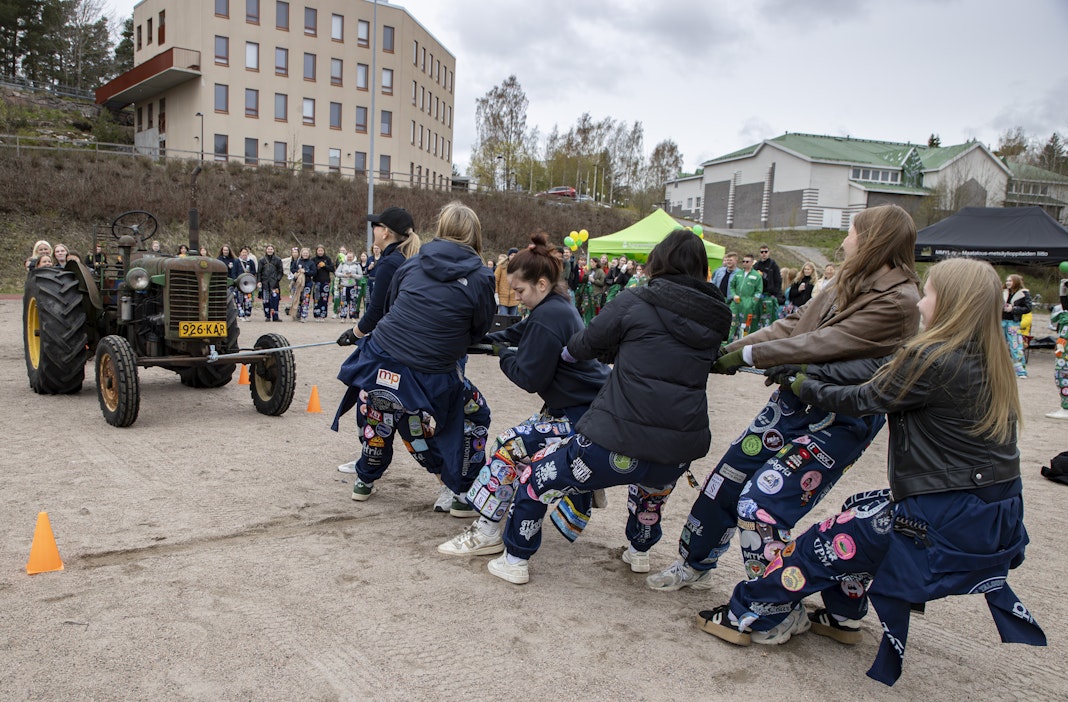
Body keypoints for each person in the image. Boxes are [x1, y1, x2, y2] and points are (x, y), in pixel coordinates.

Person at [696, 258, 1046, 686]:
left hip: (943, 517)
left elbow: (864, 398)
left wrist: (801, 384)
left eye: (928, 293)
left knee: (820, 545)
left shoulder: (932, 358)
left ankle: (748, 614)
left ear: (950, 303)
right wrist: (811, 373)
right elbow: (875, 375)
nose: (918, 303)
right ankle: (844, 615)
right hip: (988, 515)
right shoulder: (986, 356)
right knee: (858, 512)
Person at [647, 204, 921, 594]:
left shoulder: (898, 299)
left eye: (852, 231)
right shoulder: (845, 280)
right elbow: (793, 325)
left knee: (763, 504)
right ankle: (695, 564)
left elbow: (822, 343)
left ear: (873, 239)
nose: (845, 239)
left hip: (839, 417)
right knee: (726, 479)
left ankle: (773, 599)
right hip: (792, 401)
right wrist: (731, 350)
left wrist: (750, 356)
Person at [485, 229, 732, 585]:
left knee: (536, 477)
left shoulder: (636, 300)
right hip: (678, 448)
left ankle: (515, 559)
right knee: (650, 497)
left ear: (658, 263)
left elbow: (584, 344)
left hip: (618, 438)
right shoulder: (716, 316)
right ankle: (640, 552)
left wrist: (569, 354)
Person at [437, 231, 611, 557]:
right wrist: (479, 341)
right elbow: (518, 331)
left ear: (541, 284)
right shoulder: (557, 305)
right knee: (520, 443)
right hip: (581, 408)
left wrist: (503, 355)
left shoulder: (548, 317)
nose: (516, 297)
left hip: (581, 417)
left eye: (520, 291)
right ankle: (579, 488)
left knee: (509, 448)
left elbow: (529, 377)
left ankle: (486, 532)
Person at [334, 202, 496, 509]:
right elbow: (479, 328)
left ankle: (365, 479)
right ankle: (463, 492)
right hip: (430, 370)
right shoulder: (481, 276)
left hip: (380, 357)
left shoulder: (412, 263)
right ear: (475, 234)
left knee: (384, 406)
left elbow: (392, 308)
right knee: (475, 414)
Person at [333, 207, 422, 474]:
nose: (373, 229)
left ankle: (370, 464)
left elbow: (376, 312)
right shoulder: (407, 259)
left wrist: (353, 334)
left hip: (388, 347)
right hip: (405, 345)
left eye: (376, 226)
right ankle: (369, 461)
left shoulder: (388, 263)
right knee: (387, 408)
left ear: (386, 232)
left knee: (370, 403)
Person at [727, 253, 763, 341]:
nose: (744, 263)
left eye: (747, 262)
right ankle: (728, 342)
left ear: (752, 263)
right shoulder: (738, 274)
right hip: (736, 302)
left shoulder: (756, 276)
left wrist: (752, 302)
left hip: (747, 303)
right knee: (732, 322)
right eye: (743, 261)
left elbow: (759, 291)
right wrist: (734, 295)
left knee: (745, 326)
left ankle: (742, 343)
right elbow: (732, 286)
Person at [1001, 274, 1031, 379]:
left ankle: (1021, 371)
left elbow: (1028, 308)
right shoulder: (1002, 292)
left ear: (1016, 282)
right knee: (999, 345)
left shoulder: (1024, 293)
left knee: (1016, 346)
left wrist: (1014, 309)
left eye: (1010, 281)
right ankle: (999, 369)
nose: (1008, 283)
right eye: (1007, 281)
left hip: (1013, 323)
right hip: (1001, 321)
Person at [258, 244, 285, 322]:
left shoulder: (278, 260)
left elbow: (280, 271)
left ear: (273, 250)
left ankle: (275, 316)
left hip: (274, 284)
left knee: (275, 300)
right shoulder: (262, 260)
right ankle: (267, 316)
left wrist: (277, 279)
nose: (270, 250)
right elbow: (259, 272)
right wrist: (259, 281)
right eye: (268, 249)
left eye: (271, 249)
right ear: (266, 250)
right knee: (265, 300)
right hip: (265, 283)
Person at [335, 252, 364, 320]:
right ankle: (343, 316)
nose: (349, 258)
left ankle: (353, 316)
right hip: (343, 286)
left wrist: (353, 275)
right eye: (348, 257)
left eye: (351, 257)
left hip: (353, 286)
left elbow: (360, 276)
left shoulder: (357, 265)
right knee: (343, 301)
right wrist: (343, 275)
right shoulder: (342, 264)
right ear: (346, 257)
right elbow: (336, 273)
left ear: (353, 257)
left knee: (353, 302)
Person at [309, 245, 334, 321]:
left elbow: (332, 269)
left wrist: (325, 266)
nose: (320, 252)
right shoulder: (313, 259)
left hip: (325, 282)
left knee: (324, 299)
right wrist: (317, 267)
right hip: (316, 282)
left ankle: (323, 315)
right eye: (319, 251)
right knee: (316, 298)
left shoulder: (327, 259)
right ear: (316, 251)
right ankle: (317, 315)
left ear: (324, 251)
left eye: (321, 251)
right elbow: (312, 271)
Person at [291, 247, 316, 322]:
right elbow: (292, 269)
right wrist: (298, 271)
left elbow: (314, 272)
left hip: (307, 283)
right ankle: (297, 314)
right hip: (298, 283)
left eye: (306, 253)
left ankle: (304, 315)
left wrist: (305, 271)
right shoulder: (297, 261)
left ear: (309, 254)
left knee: (306, 299)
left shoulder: (311, 263)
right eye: (304, 253)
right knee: (298, 298)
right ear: (301, 253)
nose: (305, 254)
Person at [496, 247, 520, 315]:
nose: (513, 257)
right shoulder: (501, 266)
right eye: (511, 255)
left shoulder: (520, 267)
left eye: (515, 255)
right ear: (508, 256)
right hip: (502, 298)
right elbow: (496, 280)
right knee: (503, 317)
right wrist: (496, 293)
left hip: (514, 298)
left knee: (512, 319)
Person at [235, 247, 257, 318]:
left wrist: (249, 274)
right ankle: (240, 313)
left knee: (248, 299)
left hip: (248, 284)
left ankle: (247, 313)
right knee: (239, 299)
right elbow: (234, 272)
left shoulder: (250, 262)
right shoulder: (237, 261)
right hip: (239, 284)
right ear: (240, 253)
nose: (244, 254)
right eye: (243, 252)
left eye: (245, 252)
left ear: (248, 253)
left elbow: (254, 271)